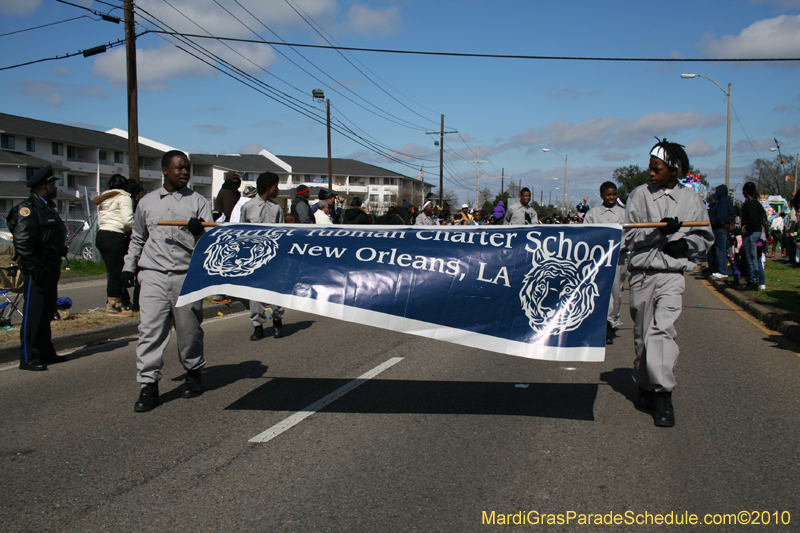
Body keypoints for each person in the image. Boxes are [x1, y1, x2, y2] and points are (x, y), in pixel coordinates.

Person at [624, 138, 712, 427]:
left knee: (663, 331)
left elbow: (704, 237)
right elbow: (628, 238)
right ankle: (645, 385)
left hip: (671, 275)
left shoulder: (691, 200)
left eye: (656, 168)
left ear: (673, 169)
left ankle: (663, 394)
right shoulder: (638, 196)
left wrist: (685, 244)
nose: (651, 173)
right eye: (650, 168)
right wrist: (658, 232)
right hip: (642, 275)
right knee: (643, 336)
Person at [121, 150, 212, 412]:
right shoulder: (147, 203)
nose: (185, 172)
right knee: (150, 330)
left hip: (186, 275)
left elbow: (209, 242)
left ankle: (193, 372)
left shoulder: (198, 202)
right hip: (153, 275)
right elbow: (137, 237)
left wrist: (199, 233)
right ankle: (148, 385)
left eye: (188, 168)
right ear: (164, 170)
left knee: (190, 331)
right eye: (179, 168)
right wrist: (129, 267)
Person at [7, 165, 68, 371]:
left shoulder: (48, 207)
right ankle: (29, 357)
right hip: (38, 268)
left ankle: (45, 351)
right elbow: (23, 242)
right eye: (52, 184)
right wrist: (35, 269)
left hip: (51, 266)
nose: (55, 187)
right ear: (44, 185)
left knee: (46, 312)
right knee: (33, 314)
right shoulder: (28, 209)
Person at [240, 171, 286, 341]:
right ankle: (258, 325)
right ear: (268, 187)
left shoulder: (277, 208)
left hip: (273, 257)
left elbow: (282, 232)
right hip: (253, 258)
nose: (278, 189)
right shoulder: (248, 207)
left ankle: (277, 321)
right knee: (255, 294)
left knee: (275, 292)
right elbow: (241, 231)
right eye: (276, 186)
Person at [583, 181, 627, 344]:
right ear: (601, 195)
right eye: (608, 195)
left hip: (617, 258)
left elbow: (630, 234)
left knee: (615, 291)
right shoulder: (593, 213)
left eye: (614, 194)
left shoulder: (624, 213)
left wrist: (621, 246)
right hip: (598, 258)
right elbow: (586, 233)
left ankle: (610, 322)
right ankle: (597, 323)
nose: (611, 197)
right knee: (596, 290)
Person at [93, 174, 135, 316]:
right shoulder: (124, 197)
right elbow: (127, 221)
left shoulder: (105, 198)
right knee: (117, 273)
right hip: (116, 235)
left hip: (101, 235)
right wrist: (139, 226)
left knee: (112, 272)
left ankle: (116, 301)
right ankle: (114, 305)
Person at [739, 182, 767, 291]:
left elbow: (754, 220)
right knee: (753, 258)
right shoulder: (756, 203)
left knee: (751, 258)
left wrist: (747, 228)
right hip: (756, 232)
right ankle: (753, 280)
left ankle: (753, 281)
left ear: (745, 191)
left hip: (752, 233)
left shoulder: (751, 205)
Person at [708, 184, 734, 278]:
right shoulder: (725, 200)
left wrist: (713, 222)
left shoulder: (723, 202)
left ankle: (722, 270)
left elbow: (720, 217)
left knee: (720, 249)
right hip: (720, 228)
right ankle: (718, 269)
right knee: (718, 249)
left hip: (720, 228)